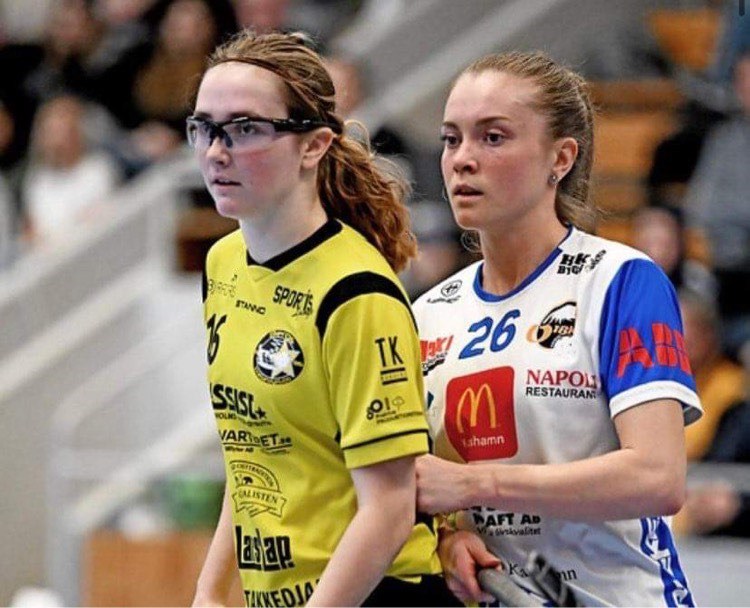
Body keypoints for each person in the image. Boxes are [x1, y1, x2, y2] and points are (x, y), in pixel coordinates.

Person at [413, 50, 703, 607]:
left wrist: (478, 484)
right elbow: (422, 485)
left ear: (561, 157)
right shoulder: (427, 313)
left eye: (492, 137)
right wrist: (447, 538)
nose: (462, 160)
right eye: (452, 139)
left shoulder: (621, 281)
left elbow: (658, 478)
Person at [190, 30, 457, 607]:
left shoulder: (357, 293)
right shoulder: (223, 263)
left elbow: (389, 510)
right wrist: (209, 591)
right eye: (204, 128)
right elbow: (251, 451)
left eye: (245, 128)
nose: (215, 151)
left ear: (313, 146)